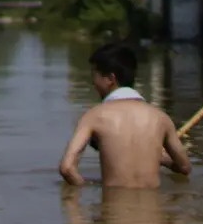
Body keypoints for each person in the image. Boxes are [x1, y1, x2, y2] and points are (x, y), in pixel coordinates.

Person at [57, 43, 192, 189]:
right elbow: (185, 167)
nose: (93, 83)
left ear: (110, 78)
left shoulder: (93, 116)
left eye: (95, 76)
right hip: (152, 204)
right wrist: (162, 159)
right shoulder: (161, 118)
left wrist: (90, 188)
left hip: (114, 203)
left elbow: (67, 168)